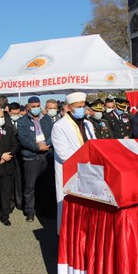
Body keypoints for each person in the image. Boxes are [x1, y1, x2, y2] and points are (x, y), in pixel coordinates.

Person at [51, 92, 96, 232]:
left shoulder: (88, 124)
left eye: (83, 106)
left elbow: (93, 143)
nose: (82, 109)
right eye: (78, 106)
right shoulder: (59, 126)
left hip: (89, 170)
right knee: (69, 206)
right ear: (70, 108)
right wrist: (85, 158)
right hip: (70, 171)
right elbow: (64, 153)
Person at [17, 96, 54, 222]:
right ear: (28, 107)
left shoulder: (47, 119)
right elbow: (23, 139)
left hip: (46, 155)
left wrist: (46, 145)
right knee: (30, 186)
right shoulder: (22, 121)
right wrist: (38, 147)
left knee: (46, 184)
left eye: (38, 106)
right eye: (33, 106)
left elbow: (53, 134)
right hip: (31, 157)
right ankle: (30, 211)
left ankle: (45, 209)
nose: (36, 108)